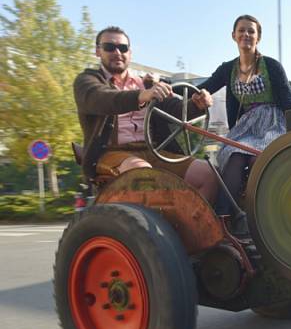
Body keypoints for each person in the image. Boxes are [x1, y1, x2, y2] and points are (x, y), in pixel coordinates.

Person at [73, 26, 217, 202]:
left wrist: (197, 104)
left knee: (208, 175)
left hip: (154, 151)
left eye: (123, 48)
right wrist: (141, 96)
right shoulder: (87, 82)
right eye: (110, 47)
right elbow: (103, 99)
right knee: (144, 174)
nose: (117, 52)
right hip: (112, 153)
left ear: (130, 53)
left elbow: (176, 109)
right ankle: (159, 227)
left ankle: (195, 226)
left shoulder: (147, 84)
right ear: (98, 51)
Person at [197, 14, 291, 218]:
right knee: (235, 155)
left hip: (272, 123)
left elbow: (288, 103)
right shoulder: (228, 69)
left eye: (251, 31)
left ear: (258, 37)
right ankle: (224, 218)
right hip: (246, 125)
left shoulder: (272, 66)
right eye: (241, 30)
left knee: (257, 160)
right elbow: (201, 89)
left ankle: (263, 219)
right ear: (233, 35)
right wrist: (164, 87)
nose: (246, 34)